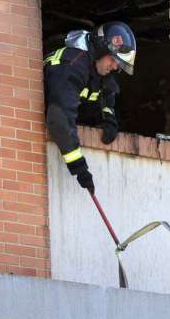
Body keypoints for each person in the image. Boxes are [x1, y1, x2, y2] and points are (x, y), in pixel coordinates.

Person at [43, 21, 137, 194]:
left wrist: (108, 119)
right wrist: (78, 165)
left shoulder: (100, 70)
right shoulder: (72, 65)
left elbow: (107, 97)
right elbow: (59, 118)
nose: (115, 67)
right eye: (113, 59)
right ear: (101, 49)